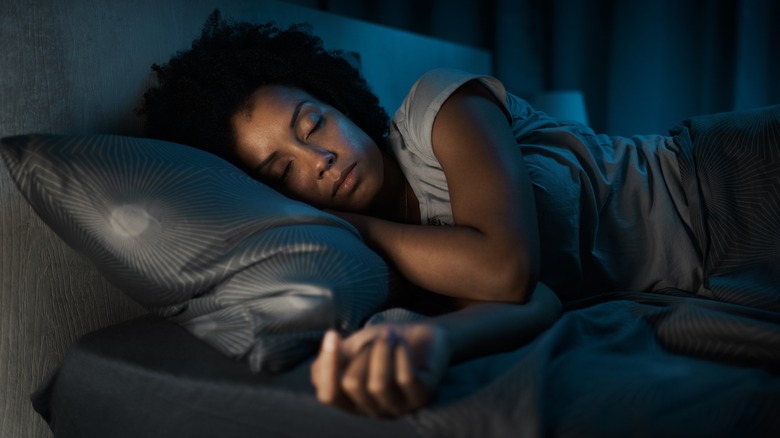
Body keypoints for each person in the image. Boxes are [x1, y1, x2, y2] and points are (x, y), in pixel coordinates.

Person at [140, 11, 780, 417]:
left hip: (729, 178)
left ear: (337, 102)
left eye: (313, 123)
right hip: (719, 275)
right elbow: (537, 301)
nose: (318, 160)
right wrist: (428, 340)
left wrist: (350, 225)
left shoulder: (439, 107)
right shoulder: (393, 266)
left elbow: (505, 269)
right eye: (283, 173)